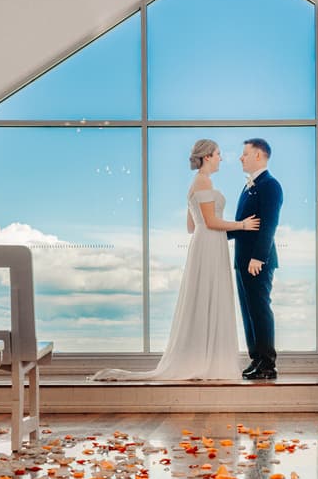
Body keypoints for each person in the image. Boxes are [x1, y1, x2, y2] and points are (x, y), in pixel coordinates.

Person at [91, 139, 259, 381]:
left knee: (202, 297)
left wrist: (213, 224)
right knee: (210, 296)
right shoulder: (203, 181)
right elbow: (211, 222)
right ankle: (209, 361)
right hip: (210, 243)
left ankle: (202, 358)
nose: (222, 158)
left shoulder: (195, 184)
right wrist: (242, 225)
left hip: (203, 243)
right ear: (208, 156)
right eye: (219, 154)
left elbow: (192, 226)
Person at [228, 139, 283, 380]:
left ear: (259, 156)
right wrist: (212, 232)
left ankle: (268, 364)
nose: (241, 158)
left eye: (245, 154)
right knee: (248, 311)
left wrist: (259, 257)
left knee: (260, 310)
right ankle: (256, 359)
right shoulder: (248, 186)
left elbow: (269, 224)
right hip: (242, 260)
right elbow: (244, 225)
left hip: (257, 261)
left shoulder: (270, 185)